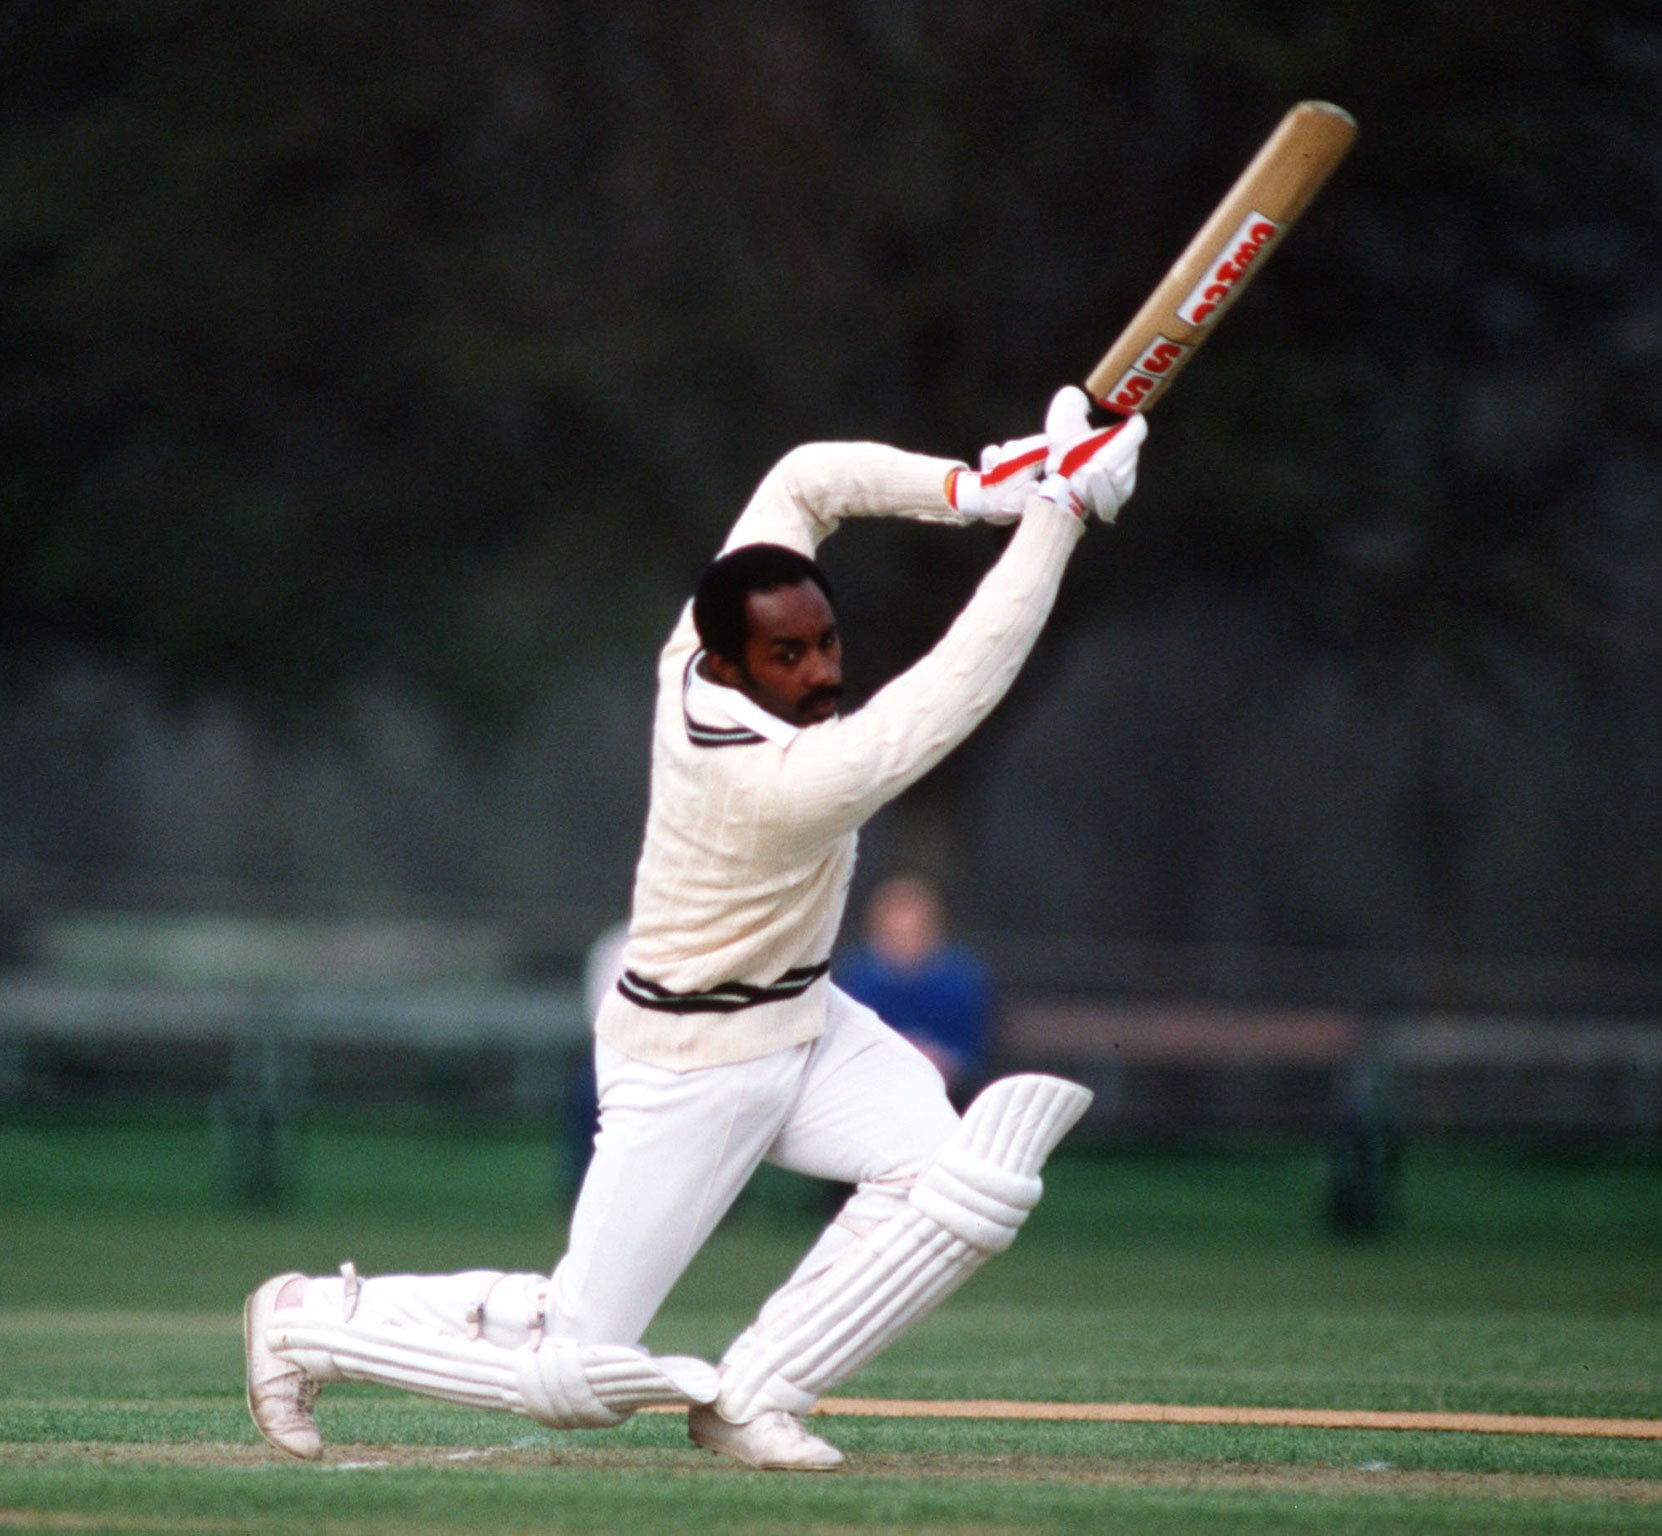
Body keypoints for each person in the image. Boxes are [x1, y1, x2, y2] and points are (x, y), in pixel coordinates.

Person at [243, 386, 1146, 1470]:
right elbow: (958, 687)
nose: (820, 674)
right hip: (690, 1060)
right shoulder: (774, 781)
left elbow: (808, 478)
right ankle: (302, 1321)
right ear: (726, 667)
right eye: (789, 659)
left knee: (958, 1181)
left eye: (826, 644)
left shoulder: (704, 635)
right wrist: (1057, 521)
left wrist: (978, 489)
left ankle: (756, 1395)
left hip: (805, 1021)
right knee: (574, 1361)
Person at [836, 875, 996, 1108]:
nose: (903, 942)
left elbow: (974, 1050)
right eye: (894, 934)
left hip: (947, 1100)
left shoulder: (961, 980)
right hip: (869, 1099)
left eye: (912, 932)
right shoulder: (855, 977)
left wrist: (938, 1061)